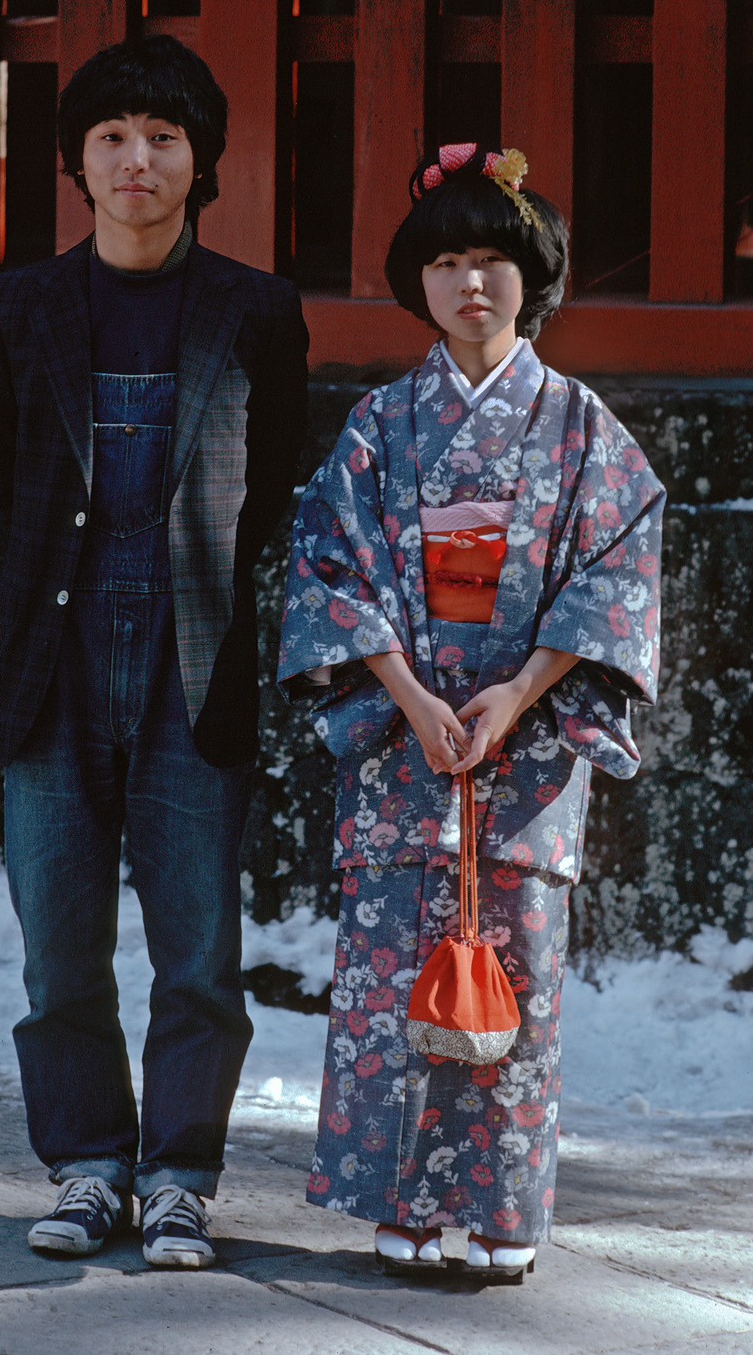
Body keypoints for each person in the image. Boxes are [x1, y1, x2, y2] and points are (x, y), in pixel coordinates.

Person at [278, 142, 663, 1277]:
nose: (469, 282)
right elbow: (326, 571)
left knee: (516, 977)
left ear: (527, 275)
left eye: (490, 258)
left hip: (528, 745)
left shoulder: (584, 428)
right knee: (397, 972)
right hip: (406, 742)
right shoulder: (377, 428)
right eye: (444, 261)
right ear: (420, 284)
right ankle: (402, 1208)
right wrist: (403, 692)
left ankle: (500, 1216)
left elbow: (617, 567)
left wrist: (520, 688)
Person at [0, 34, 309, 1269]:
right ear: (78, 163)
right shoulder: (18, 305)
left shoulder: (256, 309)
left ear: (200, 159)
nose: (136, 160)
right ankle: (87, 1166)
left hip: (192, 660)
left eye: (163, 138)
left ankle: (178, 1176)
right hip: (47, 667)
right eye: (112, 138)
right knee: (60, 951)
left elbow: (272, 483)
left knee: (199, 953)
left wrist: (195, 585)